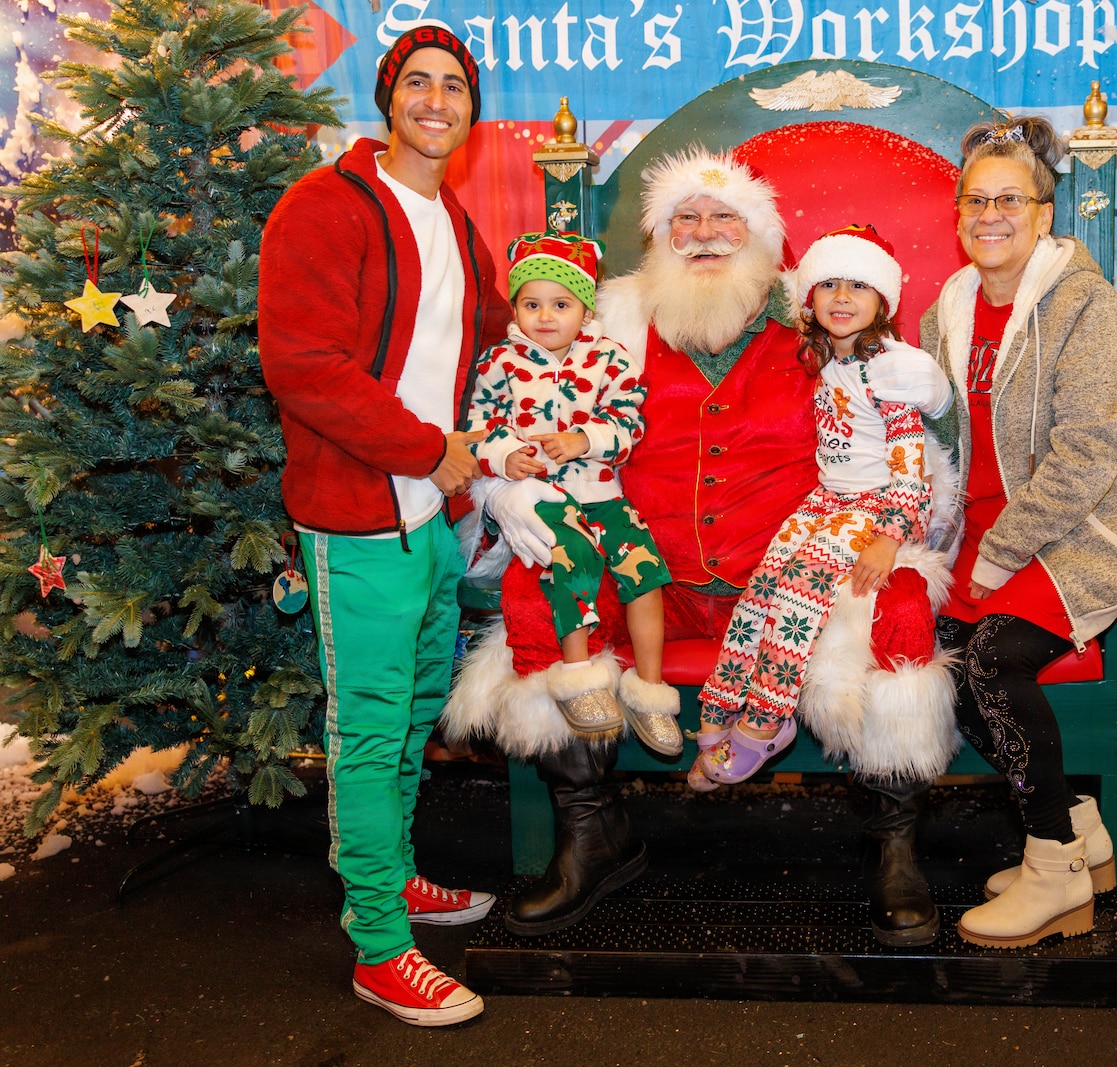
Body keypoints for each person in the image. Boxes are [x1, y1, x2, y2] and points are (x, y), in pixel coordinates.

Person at [443, 150, 959, 947]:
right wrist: (508, 488)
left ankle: (892, 842)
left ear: (763, 236)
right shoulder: (606, 321)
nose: (707, 235)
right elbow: (516, 419)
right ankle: (593, 833)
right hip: (652, 568)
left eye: (727, 219)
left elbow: (901, 448)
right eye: (686, 219)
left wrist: (891, 533)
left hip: (798, 571)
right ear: (658, 235)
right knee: (533, 593)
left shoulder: (821, 322)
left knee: (897, 610)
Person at [259, 25, 507, 1027]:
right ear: (388, 96)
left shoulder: (450, 216)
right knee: (367, 734)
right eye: (419, 83)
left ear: (470, 110)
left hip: (430, 520)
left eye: (455, 86)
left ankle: (390, 874)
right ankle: (378, 947)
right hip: (359, 516)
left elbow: (493, 327)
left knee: (410, 721)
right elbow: (304, 365)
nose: (437, 101)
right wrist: (428, 448)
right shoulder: (324, 207)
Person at [920, 116, 1117, 948]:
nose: (990, 215)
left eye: (1011, 199)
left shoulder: (1083, 302)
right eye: (975, 200)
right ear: (958, 213)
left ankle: (1054, 875)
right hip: (990, 525)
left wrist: (1000, 554)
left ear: (1044, 213)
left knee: (993, 655)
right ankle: (1077, 826)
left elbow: (1087, 456)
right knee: (936, 657)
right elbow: (938, 444)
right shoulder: (950, 309)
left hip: (1096, 523)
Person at [691, 225, 935, 790]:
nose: (843, 298)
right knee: (763, 587)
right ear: (810, 298)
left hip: (879, 506)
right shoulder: (820, 357)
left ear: (882, 301)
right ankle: (722, 707)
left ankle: (765, 724)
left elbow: (911, 465)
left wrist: (888, 536)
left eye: (858, 285)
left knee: (800, 593)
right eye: (829, 284)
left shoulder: (891, 370)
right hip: (827, 501)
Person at [464, 231, 678, 753]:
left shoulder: (611, 359)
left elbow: (629, 424)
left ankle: (650, 690)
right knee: (571, 562)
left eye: (561, 304)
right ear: (515, 309)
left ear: (585, 309)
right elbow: (479, 427)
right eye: (531, 304)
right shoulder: (500, 364)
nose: (545, 316)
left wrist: (583, 438)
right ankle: (581, 679)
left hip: (604, 495)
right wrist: (503, 457)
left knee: (644, 573)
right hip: (542, 502)